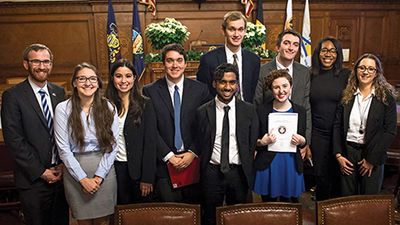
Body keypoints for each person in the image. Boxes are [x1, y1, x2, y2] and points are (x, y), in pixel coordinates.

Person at [1, 44, 69, 225]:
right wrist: (41, 172)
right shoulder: (12, 96)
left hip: (61, 177)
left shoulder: (59, 92)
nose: (42, 66)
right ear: (26, 64)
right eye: (36, 61)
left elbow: (66, 132)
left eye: (46, 61)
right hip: (32, 181)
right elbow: (14, 140)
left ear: (51, 64)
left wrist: (63, 165)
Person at [142, 43, 211, 203]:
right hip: (165, 166)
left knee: (196, 214)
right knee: (172, 216)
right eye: (170, 60)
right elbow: (150, 129)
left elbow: (206, 126)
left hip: (194, 163)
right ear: (163, 63)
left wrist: (193, 152)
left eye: (179, 60)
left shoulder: (200, 90)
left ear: (186, 64)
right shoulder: (150, 91)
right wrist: (168, 156)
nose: (175, 65)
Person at [54, 63, 119, 225]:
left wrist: (98, 177)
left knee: (104, 221)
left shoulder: (108, 107)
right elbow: (63, 149)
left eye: (92, 79)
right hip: (75, 170)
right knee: (82, 221)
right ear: (74, 83)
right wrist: (83, 179)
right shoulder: (63, 109)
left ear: (98, 83)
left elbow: (113, 146)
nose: (87, 83)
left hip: (104, 171)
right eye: (82, 78)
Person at [197, 63, 258, 225]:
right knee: (209, 217)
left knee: (238, 217)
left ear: (237, 85)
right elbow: (199, 141)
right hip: (211, 172)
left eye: (232, 82)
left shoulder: (249, 111)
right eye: (223, 82)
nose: (227, 87)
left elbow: (251, 143)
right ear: (214, 83)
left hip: (238, 173)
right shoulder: (202, 111)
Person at [333, 54, 397, 196]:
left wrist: (371, 160)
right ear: (356, 70)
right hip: (348, 154)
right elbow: (337, 126)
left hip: (372, 154)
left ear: (376, 73)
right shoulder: (346, 95)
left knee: (368, 201)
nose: (365, 72)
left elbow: (390, 131)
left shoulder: (386, 98)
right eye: (362, 68)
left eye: (370, 69)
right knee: (347, 199)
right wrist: (338, 155)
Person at [105, 59, 156, 204]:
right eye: (118, 76)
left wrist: (147, 178)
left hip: (138, 172)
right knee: (119, 214)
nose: (123, 80)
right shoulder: (105, 105)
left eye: (128, 76)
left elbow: (150, 143)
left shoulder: (145, 104)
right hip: (113, 170)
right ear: (112, 78)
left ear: (134, 77)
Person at [253, 69, 306, 203]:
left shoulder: (300, 111)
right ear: (271, 89)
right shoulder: (261, 110)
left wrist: (301, 141)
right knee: (268, 205)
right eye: (276, 87)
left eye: (284, 86)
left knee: (290, 204)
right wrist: (262, 142)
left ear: (291, 86)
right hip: (268, 162)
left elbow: (303, 140)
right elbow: (254, 140)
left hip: (291, 162)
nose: (281, 91)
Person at [309, 37, 351, 200]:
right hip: (318, 133)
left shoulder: (347, 75)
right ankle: (321, 213)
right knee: (321, 176)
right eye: (324, 50)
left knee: (338, 177)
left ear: (338, 54)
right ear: (318, 53)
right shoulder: (310, 74)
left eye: (332, 51)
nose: (328, 54)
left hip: (341, 133)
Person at [253, 29, 311, 146]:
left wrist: (306, 141)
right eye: (286, 43)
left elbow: (306, 107)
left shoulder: (305, 72)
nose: (291, 48)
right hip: (269, 138)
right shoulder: (262, 71)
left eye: (295, 45)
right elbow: (257, 104)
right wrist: (257, 142)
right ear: (277, 47)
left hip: (295, 139)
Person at [197, 11, 260, 103]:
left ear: (245, 31)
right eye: (232, 29)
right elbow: (203, 92)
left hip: (246, 112)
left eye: (240, 29)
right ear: (223, 31)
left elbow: (253, 92)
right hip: (218, 112)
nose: (236, 34)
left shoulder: (253, 60)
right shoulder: (208, 60)